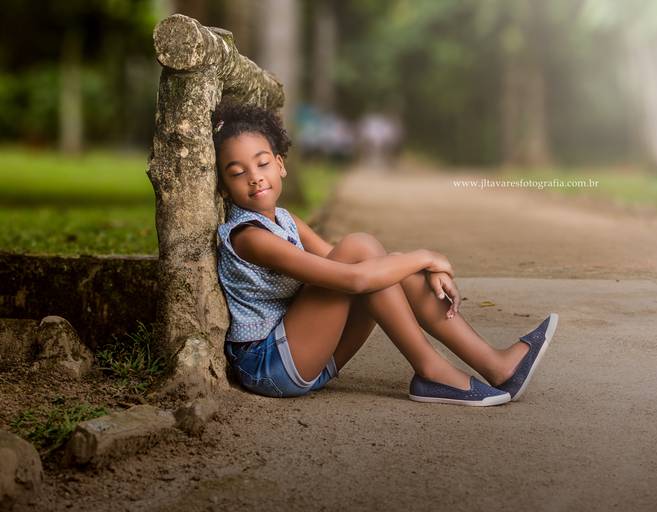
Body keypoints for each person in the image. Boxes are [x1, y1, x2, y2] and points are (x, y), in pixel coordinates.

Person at [213, 101, 559, 406]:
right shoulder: (249, 237)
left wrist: (419, 265)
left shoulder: (286, 220)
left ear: (281, 164)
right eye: (238, 173)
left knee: (371, 255)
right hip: (269, 367)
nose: (255, 178)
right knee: (361, 250)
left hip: (309, 357)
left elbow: (360, 266)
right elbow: (354, 276)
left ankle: (497, 366)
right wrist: (426, 256)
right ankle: (431, 370)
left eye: (262, 164)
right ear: (225, 188)